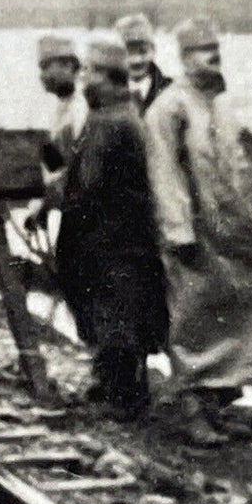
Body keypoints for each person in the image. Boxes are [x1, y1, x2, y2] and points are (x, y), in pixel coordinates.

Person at [144, 16, 252, 437]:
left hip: (227, 228)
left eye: (215, 47)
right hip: (192, 231)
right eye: (202, 49)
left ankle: (218, 399)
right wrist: (178, 231)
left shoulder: (218, 104)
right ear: (183, 57)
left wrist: (243, 218)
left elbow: (233, 166)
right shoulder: (170, 108)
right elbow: (163, 171)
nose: (212, 55)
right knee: (193, 315)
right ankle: (191, 409)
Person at [56, 34, 169, 416]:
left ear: (107, 77)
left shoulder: (113, 121)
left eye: (89, 70)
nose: (82, 77)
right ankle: (112, 385)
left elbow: (89, 185)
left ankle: (122, 397)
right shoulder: (114, 114)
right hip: (116, 239)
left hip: (113, 241)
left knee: (115, 314)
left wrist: (59, 198)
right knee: (114, 313)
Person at [33, 33, 84, 221]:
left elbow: (78, 167)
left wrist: (44, 204)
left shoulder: (82, 108)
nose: (42, 76)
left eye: (47, 67)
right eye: (41, 68)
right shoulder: (58, 110)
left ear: (68, 66)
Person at [115, 12, 171, 113]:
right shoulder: (107, 93)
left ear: (153, 50)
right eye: (129, 52)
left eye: (142, 51)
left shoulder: (170, 90)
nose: (136, 60)